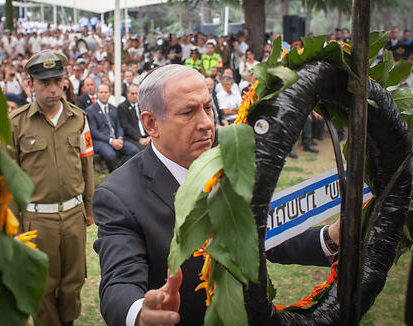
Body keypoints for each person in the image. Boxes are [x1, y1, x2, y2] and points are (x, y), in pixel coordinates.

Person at [93, 64, 340, 326]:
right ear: (151, 124)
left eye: (208, 108)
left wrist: (331, 237)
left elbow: (261, 232)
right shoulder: (118, 195)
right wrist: (142, 314)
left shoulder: (230, 161)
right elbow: (118, 284)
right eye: (188, 112)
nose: (205, 123)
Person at [5, 50, 95, 326]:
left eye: (57, 80)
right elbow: (8, 178)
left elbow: (86, 166)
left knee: (74, 279)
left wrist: (88, 208)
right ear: (30, 83)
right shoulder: (16, 123)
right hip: (35, 218)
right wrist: (12, 223)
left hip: (72, 214)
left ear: (65, 80)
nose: (52, 89)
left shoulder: (79, 118)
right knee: (41, 284)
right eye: (45, 82)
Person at [86, 84, 139, 172]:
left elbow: (119, 126)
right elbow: (94, 132)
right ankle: (113, 171)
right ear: (97, 94)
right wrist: (111, 141)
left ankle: (121, 168)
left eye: (106, 92)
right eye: (101, 92)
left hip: (117, 139)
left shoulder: (113, 108)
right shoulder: (90, 110)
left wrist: (120, 138)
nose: (103, 94)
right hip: (101, 141)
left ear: (110, 94)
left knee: (134, 151)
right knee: (111, 155)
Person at [118, 84, 150, 150]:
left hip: (147, 136)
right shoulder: (122, 107)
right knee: (142, 150)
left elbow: (148, 121)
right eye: (132, 94)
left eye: (136, 93)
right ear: (127, 94)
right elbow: (126, 126)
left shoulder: (142, 105)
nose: (135, 96)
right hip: (133, 138)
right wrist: (139, 138)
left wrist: (150, 136)